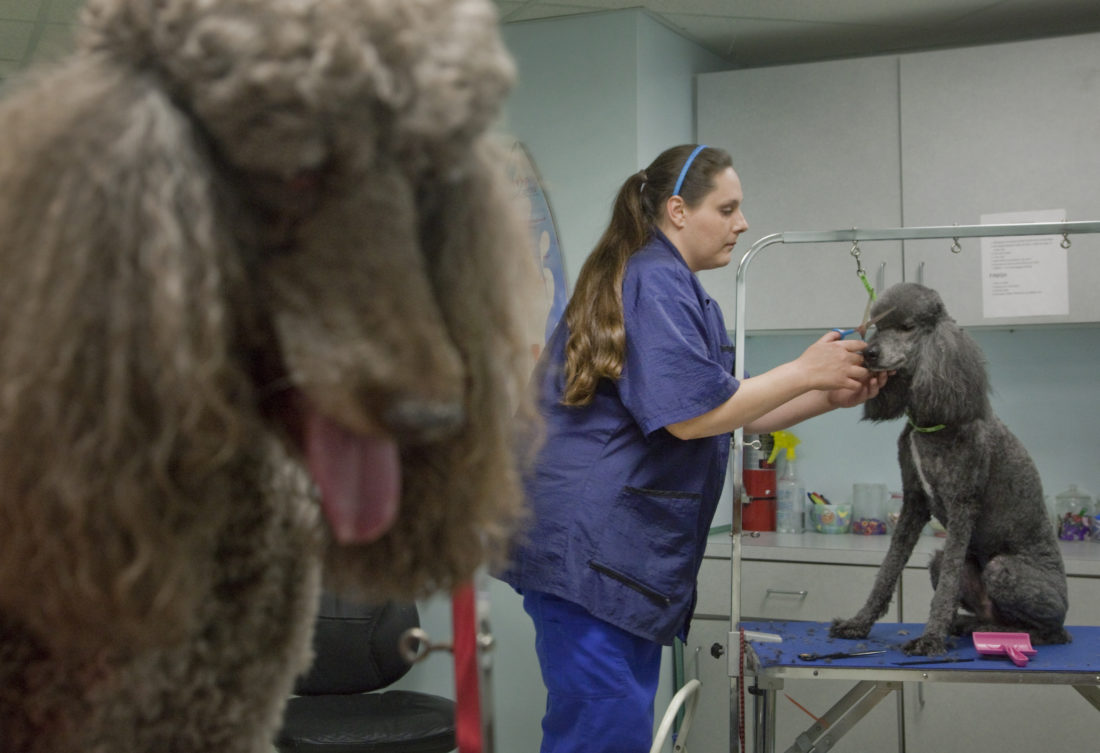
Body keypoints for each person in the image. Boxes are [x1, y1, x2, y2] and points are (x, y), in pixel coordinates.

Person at [499, 144, 886, 752]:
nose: (743, 223)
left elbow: (727, 407)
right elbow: (689, 418)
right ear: (678, 210)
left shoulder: (677, 290)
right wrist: (805, 370)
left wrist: (828, 393)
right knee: (602, 735)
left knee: (615, 730)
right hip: (589, 553)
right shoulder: (651, 279)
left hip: (613, 561)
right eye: (727, 209)